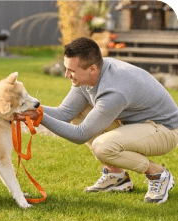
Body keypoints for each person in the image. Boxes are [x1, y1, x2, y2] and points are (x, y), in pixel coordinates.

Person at [15, 37, 178, 204]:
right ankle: (116, 176)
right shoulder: (90, 75)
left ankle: (158, 175)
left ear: (92, 68)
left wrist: (39, 117)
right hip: (137, 124)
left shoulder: (114, 90)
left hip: (164, 130)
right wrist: (27, 107)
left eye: (71, 70)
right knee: (80, 113)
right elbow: (65, 113)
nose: (66, 75)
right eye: (66, 68)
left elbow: (81, 134)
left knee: (103, 146)